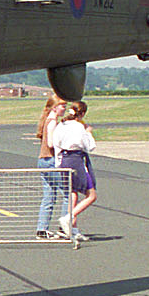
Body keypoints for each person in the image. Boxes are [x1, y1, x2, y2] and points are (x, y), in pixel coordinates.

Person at [50, 100, 98, 240]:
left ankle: (72, 228)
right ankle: (68, 218)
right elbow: (89, 146)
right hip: (76, 160)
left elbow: (55, 143)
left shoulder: (61, 125)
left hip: (64, 159)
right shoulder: (78, 127)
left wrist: (58, 163)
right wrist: (88, 132)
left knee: (73, 193)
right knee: (91, 195)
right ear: (82, 114)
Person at [34, 90, 67, 239]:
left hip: (42, 160)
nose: (64, 109)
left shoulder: (47, 120)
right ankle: (64, 226)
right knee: (67, 193)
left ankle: (42, 229)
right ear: (54, 107)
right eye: (62, 106)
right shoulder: (52, 121)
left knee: (49, 195)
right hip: (51, 160)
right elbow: (51, 143)